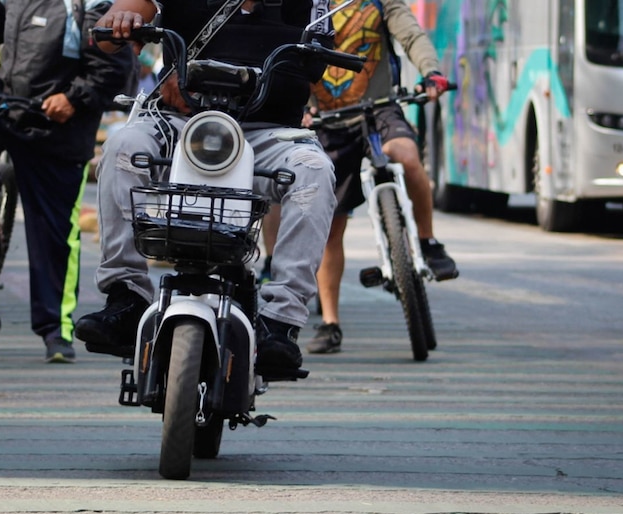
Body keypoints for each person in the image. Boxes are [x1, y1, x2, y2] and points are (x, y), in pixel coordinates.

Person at [75, 0, 338, 379]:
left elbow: (314, 67)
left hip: (268, 132)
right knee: (123, 147)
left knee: (314, 171)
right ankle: (126, 296)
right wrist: (120, 21)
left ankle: (280, 321)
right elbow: (109, 36)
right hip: (181, 124)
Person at [0, 0, 134, 363]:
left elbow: (114, 65)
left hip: (56, 127)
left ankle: (54, 329)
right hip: (2, 103)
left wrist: (74, 98)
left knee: (53, 232)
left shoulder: (93, 5)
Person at [302, 0, 456, 355]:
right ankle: (330, 322)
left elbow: (412, 36)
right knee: (330, 224)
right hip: (328, 120)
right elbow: (290, 54)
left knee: (407, 157)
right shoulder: (307, 6)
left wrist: (430, 72)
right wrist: (297, 105)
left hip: (380, 108)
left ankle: (429, 243)